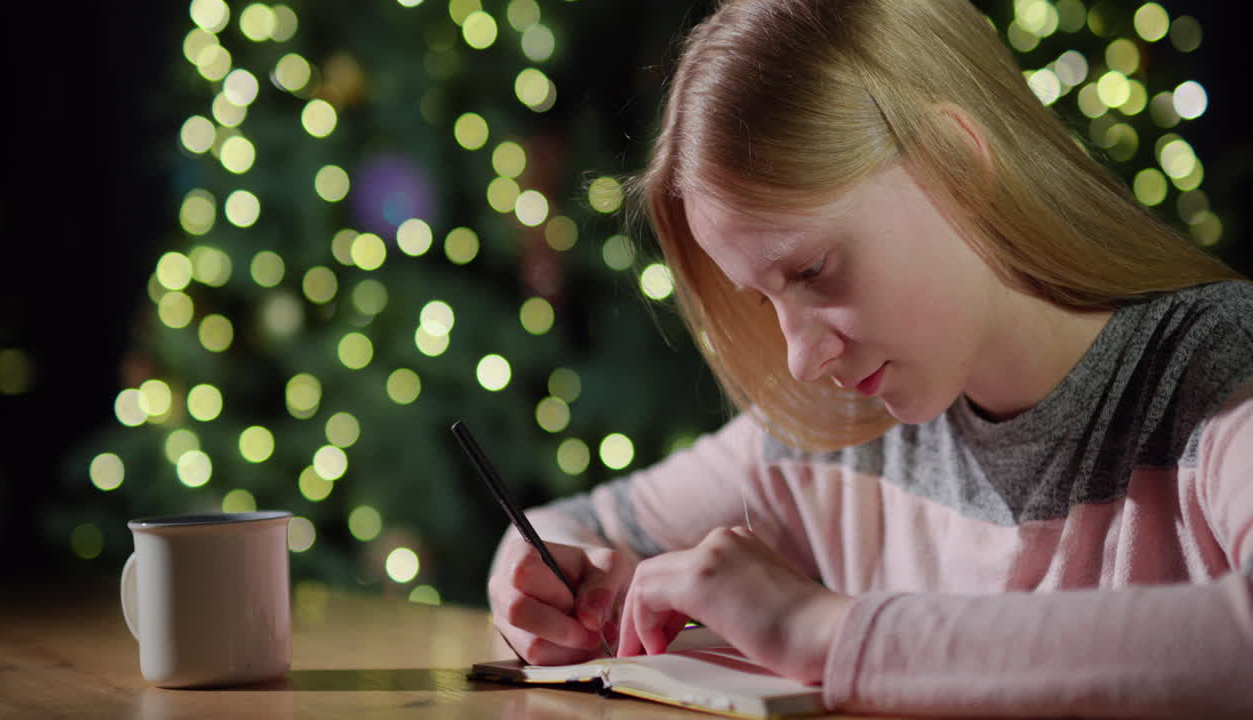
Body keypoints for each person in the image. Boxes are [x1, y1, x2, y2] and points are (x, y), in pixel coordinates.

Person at [487, 0, 1253, 715]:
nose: (798, 360)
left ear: (956, 163)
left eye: (814, 271)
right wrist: (557, 589)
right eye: (764, 300)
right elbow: (568, 526)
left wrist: (828, 632)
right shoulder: (839, 436)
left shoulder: (1223, 367)